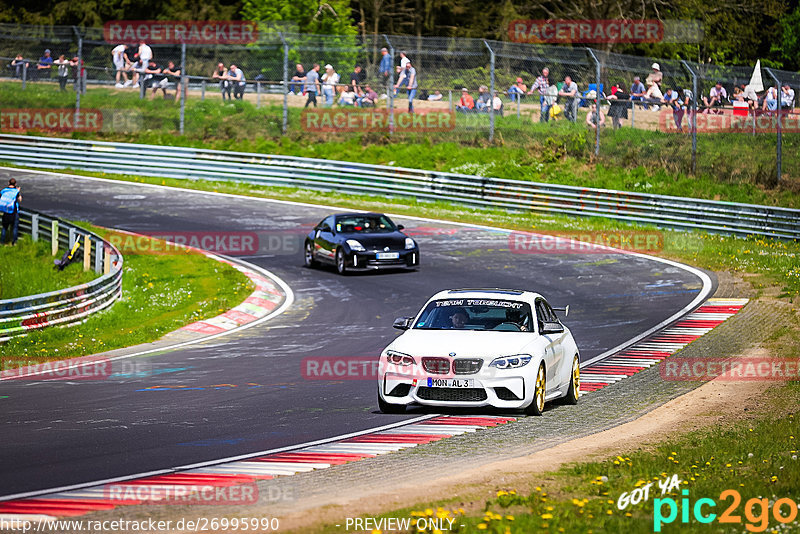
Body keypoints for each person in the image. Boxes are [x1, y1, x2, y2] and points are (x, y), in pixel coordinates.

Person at [0, 178, 21, 246]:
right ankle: (14, 242)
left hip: (6, 211)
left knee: (4, 227)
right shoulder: (16, 191)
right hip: (14, 212)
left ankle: (2, 242)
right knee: (14, 228)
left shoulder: (4, 190)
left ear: (8, 183)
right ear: (15, 184)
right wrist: (18, 191)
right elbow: (20, 199)